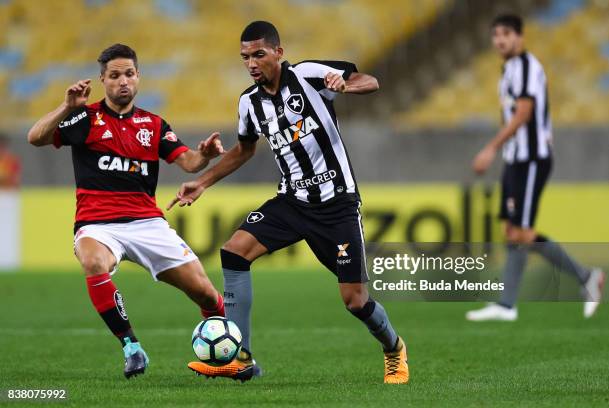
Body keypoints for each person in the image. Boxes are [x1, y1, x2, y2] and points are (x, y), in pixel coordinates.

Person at [168, 21, 408, 384]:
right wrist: (201, 182)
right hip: (292, 202)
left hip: (337, 205)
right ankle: (241, 358)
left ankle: (394, 349)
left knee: (356, 301)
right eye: (245, 57)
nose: (251, 63)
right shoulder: (249, 103)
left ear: (278, 53)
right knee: (234, 252)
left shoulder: (308, 75)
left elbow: (370, 81)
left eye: (259, 54)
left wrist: (345, 84)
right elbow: (244, 150)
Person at [27, 44, 226, 378]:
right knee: (92, 261)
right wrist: (66, 107)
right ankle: (131, 348)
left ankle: (227, 353)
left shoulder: (154, 124)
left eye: (129, 74)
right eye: (115, 75)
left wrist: (205, 154)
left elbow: (189, 162)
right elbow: (35, 138)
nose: (123, 82)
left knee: (205, 292)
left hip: (147, 223)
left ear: (138, 78)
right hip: (98, 224)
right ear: (103, 79)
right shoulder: (84, 118)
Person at [467, 14, 604, 321]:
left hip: (530, 159)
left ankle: (586, 276)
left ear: (520, 36)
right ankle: (507, 305)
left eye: (506, 34)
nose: (500, 40)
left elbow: (524, 114)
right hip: (516, 158)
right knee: (512, 230)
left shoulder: (528, 67)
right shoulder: (509, 70)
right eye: (496, 35)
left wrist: (490, 148)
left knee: (523, 232)